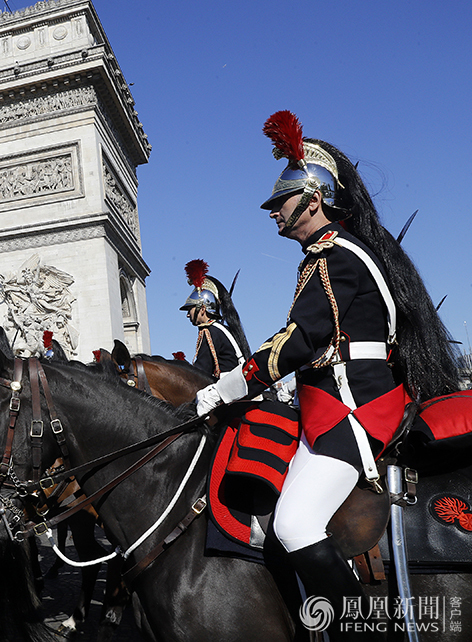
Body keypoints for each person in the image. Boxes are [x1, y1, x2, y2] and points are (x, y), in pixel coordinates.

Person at [194, 111, 461, 637]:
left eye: (281, 203)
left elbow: (300, 341)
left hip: (355, 409)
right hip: (330, 404)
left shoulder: (337, 257)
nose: (273, 213)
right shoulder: (324, 257)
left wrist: (224, 388)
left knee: (294, 523)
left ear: (313, 199)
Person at [180, 260, 251, 379]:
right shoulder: (220, 329)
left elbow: (201, 371)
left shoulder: (209, 331)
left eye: (190, 309)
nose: (188, 315)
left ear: (202, 309)